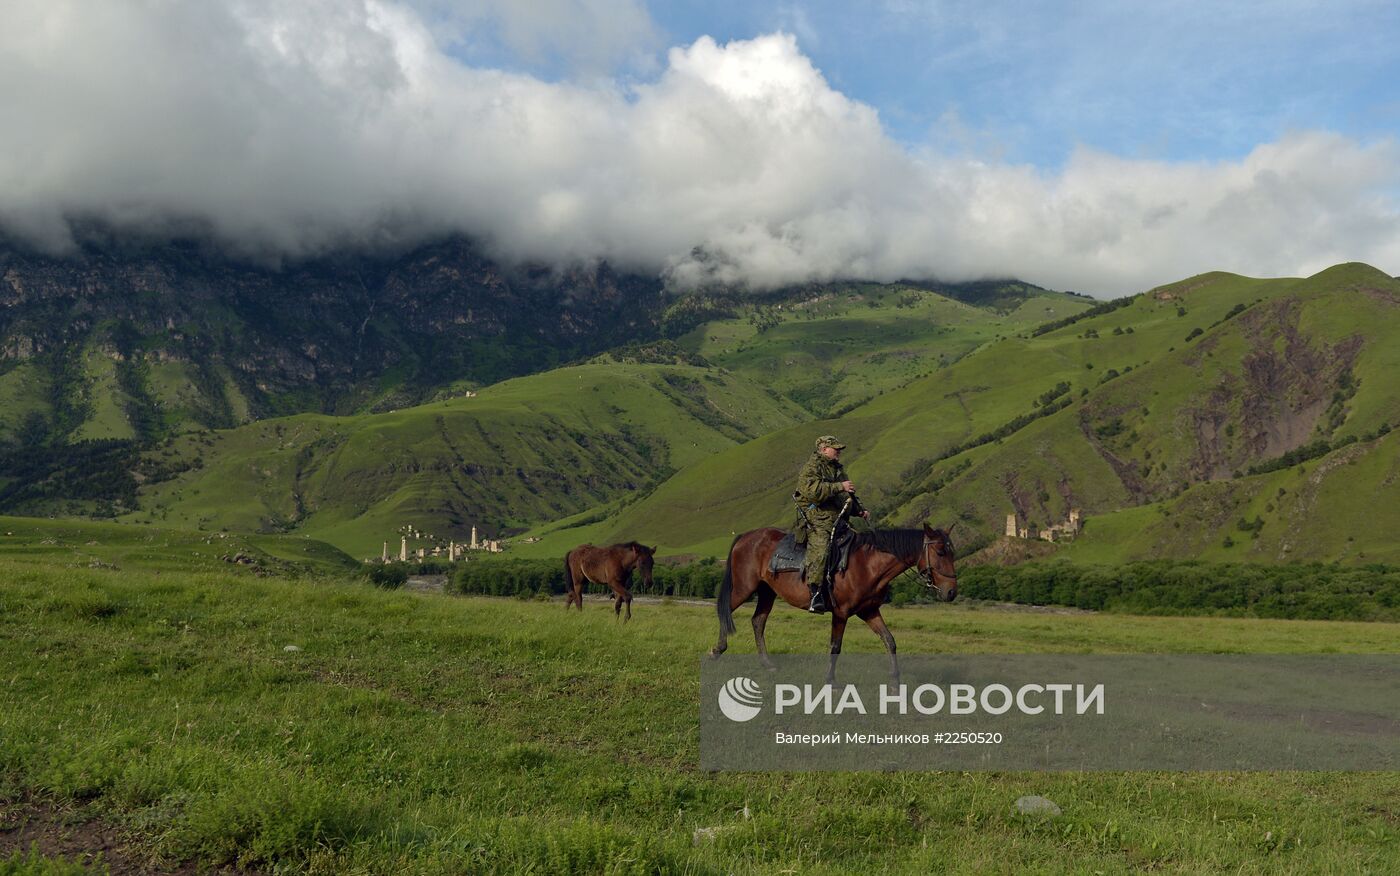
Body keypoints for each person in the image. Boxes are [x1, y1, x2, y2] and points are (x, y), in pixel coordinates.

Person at [794, 435, 868, 613]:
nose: (839, 452)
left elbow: (846, 494)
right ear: (824, 449)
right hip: (816, 516)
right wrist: (839, 487)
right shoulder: (811, 468)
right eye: (835, 449)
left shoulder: (837, 469)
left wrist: (858, 510)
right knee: (821, 548)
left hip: (837, 516)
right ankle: (815, 594)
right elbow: (813, 493)